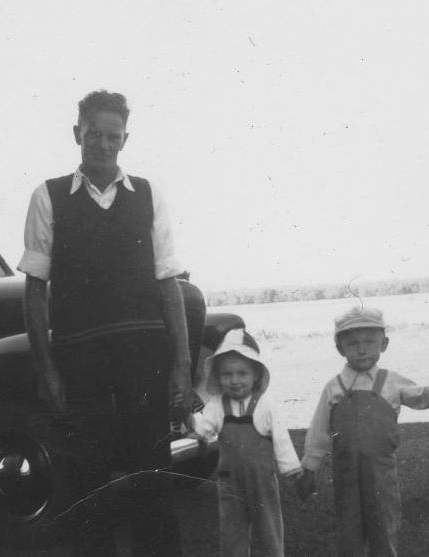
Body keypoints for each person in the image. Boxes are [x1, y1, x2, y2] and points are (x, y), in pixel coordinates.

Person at [19, 90, 192, 555]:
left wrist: (181, 365)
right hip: (80, 358)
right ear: (78, 133)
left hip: (144, 357)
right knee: (86, 479)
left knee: (152, 473)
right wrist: (47, 369)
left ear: (124, 140)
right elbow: (35, 288)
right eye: (93, 133)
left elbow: (169, 283)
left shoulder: (149, 194)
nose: (102, 143)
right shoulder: (48, 195)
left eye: (112, 136)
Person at [297, 306, 429, 556]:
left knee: (384, 529)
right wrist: (309, 468)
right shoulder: (334, 388)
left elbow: (423, 397)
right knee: (349, 532)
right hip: (346, 475)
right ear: (340, 348)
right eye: (353, 344)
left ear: (384, 344)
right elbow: (319, 430)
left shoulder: (391, 382)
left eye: (369, 342)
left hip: (381, 474)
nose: (362, 349)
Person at [188, 328, 302, 556]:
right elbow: (204, 429)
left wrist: (292, 470)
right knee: (232, 532)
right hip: (229, 483)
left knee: (268, 530)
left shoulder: (265, 405)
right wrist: (189, 419)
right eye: (227, 374)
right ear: (218, 376)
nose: (235, 380)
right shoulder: (217, 405)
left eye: (242, 373)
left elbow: (281, 439)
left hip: (262, 482)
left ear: (256, 375)